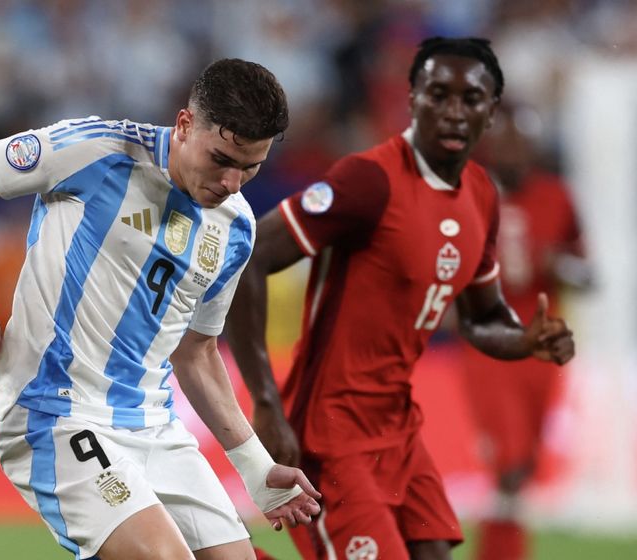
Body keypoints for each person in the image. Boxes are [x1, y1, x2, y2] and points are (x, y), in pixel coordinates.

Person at [0, 58, 320, 560]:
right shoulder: (97, 150)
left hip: (154, 426)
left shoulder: (235, 227)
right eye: (222, 158)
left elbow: (197, 352)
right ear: (184, 125)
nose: (232, 182)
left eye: (251, 166)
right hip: (56, 413)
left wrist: (254, 466)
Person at [225, 37, 575, 560]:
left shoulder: (480, 195)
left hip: (399, 430)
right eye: (438, 94)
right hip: (328, 432)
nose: (454, 111)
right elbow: (251, 258)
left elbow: (480, 320)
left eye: (471, 99)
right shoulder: (370, 181)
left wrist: (526, 339)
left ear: (491, 111)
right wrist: (268, 404)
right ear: (412, 99)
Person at [458, 102, 591, 560]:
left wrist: (562, 265)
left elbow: (587, 271)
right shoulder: (469, 194)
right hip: (489, 343)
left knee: (526, 466)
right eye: (506, 142)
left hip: (540, 342)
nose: (513, 152)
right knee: (509, 464)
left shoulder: (555, 195)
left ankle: (502, 548)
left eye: (521, 142)